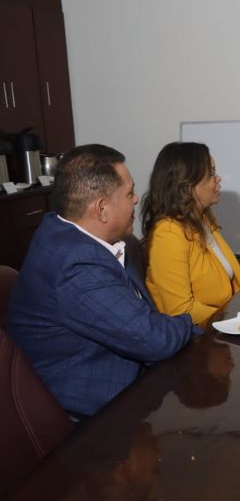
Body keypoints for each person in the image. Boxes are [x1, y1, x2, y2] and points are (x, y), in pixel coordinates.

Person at [5, 144, 196, 418]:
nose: (135, 200)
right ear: (102, 209)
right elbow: (153, 339)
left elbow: (146, 323)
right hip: (90, 421)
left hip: (133, 386)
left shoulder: (80, 238)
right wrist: (191, 324)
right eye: (129, 193)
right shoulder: (76, 263)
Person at [142, 142, 240, 325]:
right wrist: (238, 319)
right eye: (211, 173)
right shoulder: (168, 232)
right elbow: (181, 310)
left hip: (221, 328)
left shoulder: (203, 220)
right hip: (199, 341)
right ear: (187, 185)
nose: (218, 179)